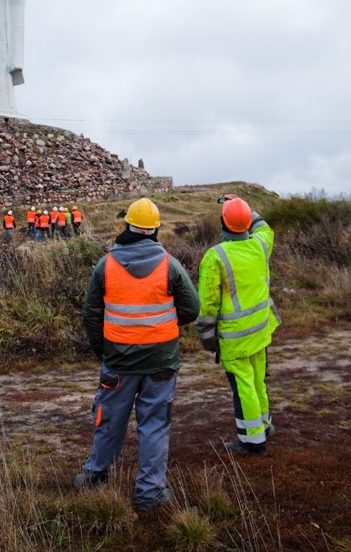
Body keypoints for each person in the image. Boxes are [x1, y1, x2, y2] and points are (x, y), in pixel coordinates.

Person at [75, 198, 200, 513]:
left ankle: (95, 477)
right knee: (155, 425)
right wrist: (164, 327)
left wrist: (103, 350)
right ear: (155, 229)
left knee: (109, 420)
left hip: (118, 361)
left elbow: (91, 314)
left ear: (127, 225)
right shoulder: (170, 264)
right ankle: (149, 493)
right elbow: (192, 308)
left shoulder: (106, 265)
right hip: (161, 361)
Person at [196, 194, 280, 454]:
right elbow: (264, 227)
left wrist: (208, 339)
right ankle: (264, 426)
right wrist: (242, 204)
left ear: (222, 223)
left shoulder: (215, 257)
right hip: (261, 330)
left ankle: (252, 440)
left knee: (243, 386)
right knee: (257, 381)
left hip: (235, 339)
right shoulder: (260, 245)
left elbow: (208, 307)